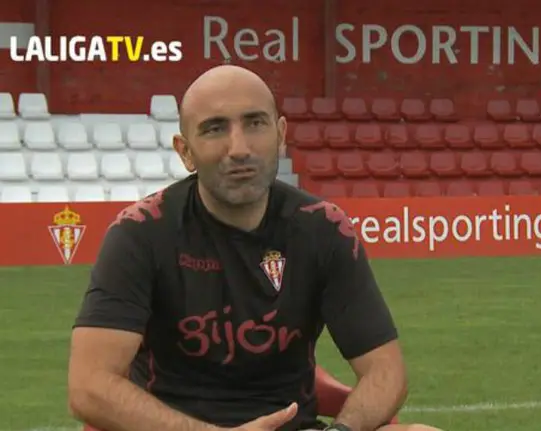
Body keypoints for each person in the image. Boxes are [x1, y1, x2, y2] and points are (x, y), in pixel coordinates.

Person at [67, 65, 443, 431]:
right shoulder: (140, 233)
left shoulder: (323, 228)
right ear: (185, 152)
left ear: (280, 134)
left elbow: (386, 371)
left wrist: (343, 429)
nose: (239, 148)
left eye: (255, 123)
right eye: (215, 129)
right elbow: (89, 387)